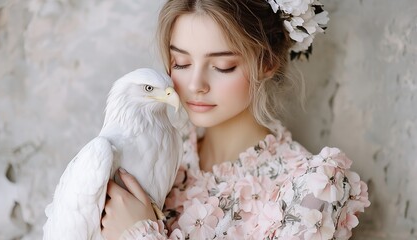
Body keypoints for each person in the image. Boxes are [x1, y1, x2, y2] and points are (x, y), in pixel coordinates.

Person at [101, 0, 370, 239]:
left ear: (267, 62)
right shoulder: (149, 151)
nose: (195, 85)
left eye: (222, 67)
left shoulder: (311, 190)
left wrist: (137, 234)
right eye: (181, 62)